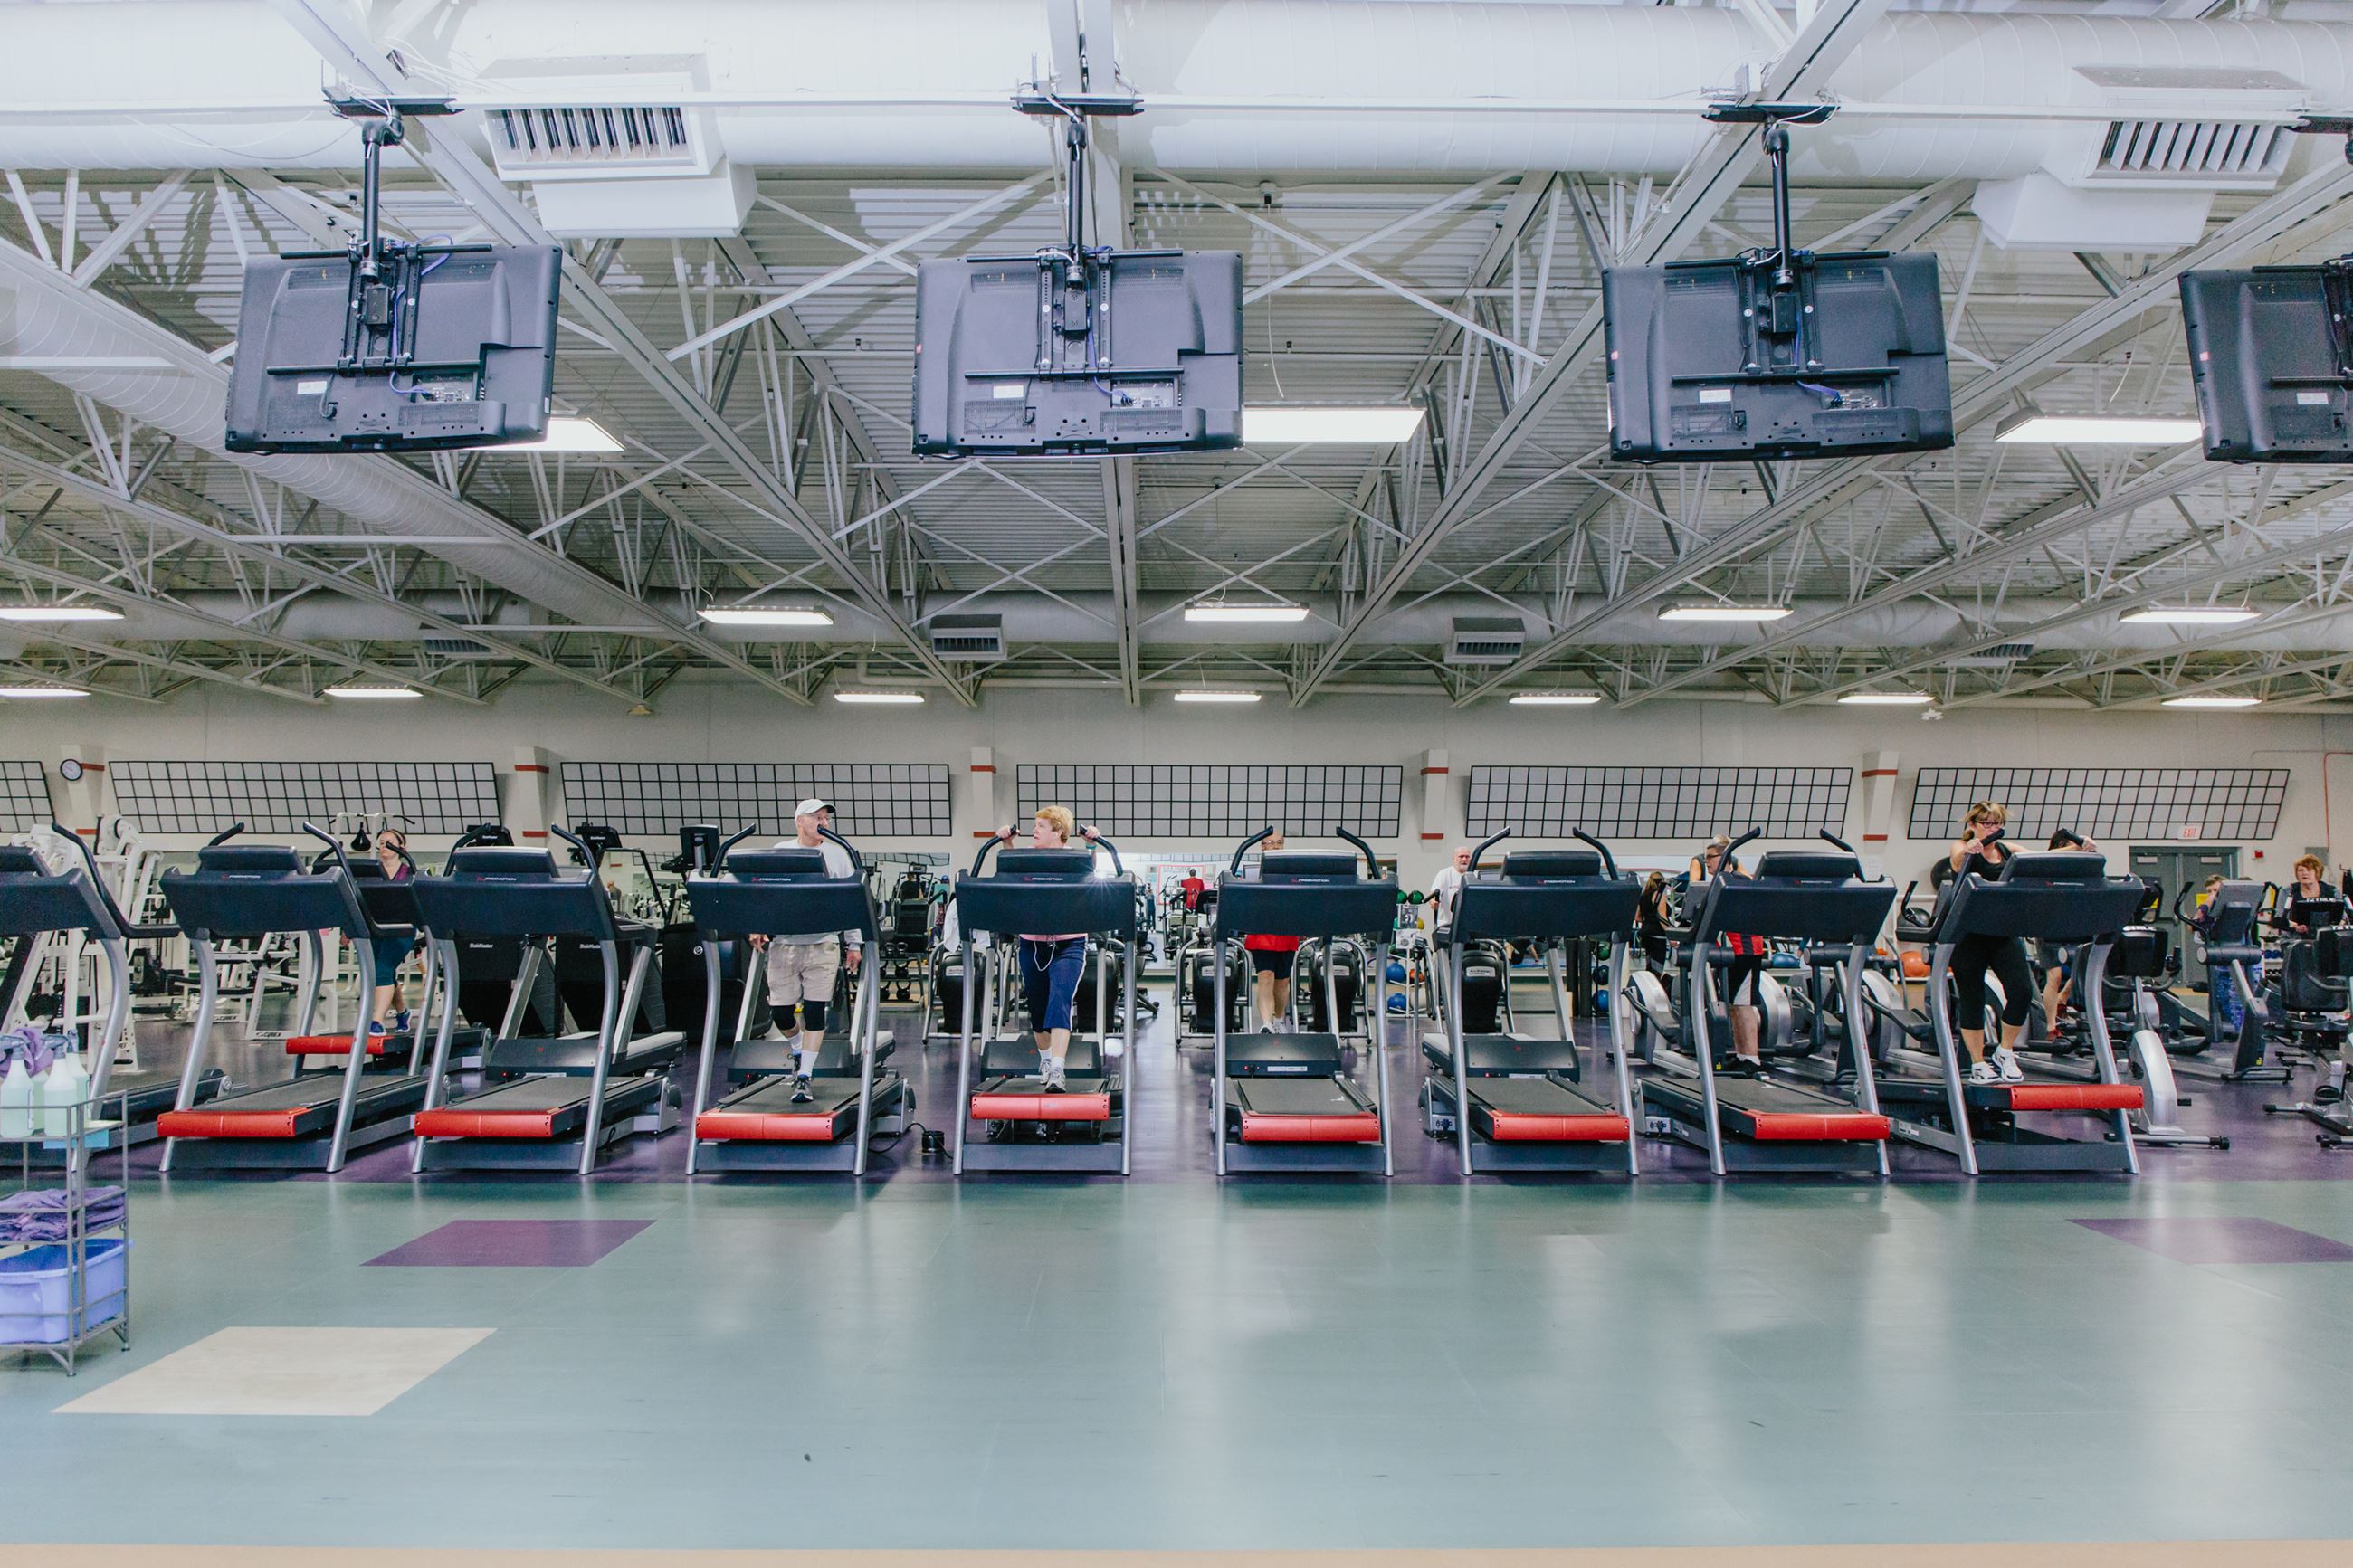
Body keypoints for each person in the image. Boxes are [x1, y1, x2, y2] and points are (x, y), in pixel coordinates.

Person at [750, 798, 862, 1103]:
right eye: (817, 817)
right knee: (781, 1014)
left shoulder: (839, 856)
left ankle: (805, 1076)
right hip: (784, 944)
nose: (824, 823)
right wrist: (759, 925)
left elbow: (850, 901)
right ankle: (799, 1050)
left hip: (823, 943)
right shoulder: (781, 851)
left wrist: (853, 943)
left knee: (814, 1011)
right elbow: (767, 896)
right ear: (799, 820)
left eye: (826, 818)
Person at [990, 806, 1100, 1091]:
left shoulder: (1074, 859)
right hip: (1032, 943)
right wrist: (1006, 843)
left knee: (1059, 1000)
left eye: (1041, 826)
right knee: (1038, 1012)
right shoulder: (1027, 857)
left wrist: (1091, 844)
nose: (1035, 830)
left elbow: (1090, 871)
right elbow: (1009, 874)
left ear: (1059, 833)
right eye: (1034, 825)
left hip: (1069, 943)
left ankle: (1058, 1070)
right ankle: (1046, 1060)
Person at [1931, 801, 2034, 1084]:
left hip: (2001, 932)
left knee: (2022, 991)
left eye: (1997, 823)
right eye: (1987, 823)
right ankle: (1978, 1064)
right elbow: (1955, 860)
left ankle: (2005, 1050)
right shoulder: (1960, 847)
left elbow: (2043, 858)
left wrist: (2078, 849)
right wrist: (1969, 849)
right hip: (1968, 935)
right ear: (1973, 825)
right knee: (1972, 999)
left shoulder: (2006, 850)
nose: (1993, 828)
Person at [1689, 835, 1767, 1074]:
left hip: (1745, 950)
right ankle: (1743, 1055)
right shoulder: (1721, 882)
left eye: (1710, 857)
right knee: (1734, 1005)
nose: (1706, 862)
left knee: (1742, 1005)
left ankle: (1752, 1059)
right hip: (1729, 952)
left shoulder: (1739, 881)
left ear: (1724, 857)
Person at [2036, 830, 2098, 1036]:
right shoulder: (2047, 865)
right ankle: (2051, 1026)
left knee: (2086, 966)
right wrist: (2078, 844)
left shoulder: (2082, 870)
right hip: (2050, 926)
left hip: (2076, 924)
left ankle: (2064, 996)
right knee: (2054, 976)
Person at [1243, 829, 1302, 1031]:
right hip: (1262, 934)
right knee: (1265, 976)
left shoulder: (1292, 873)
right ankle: (1266, 1024)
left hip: (1286, 933)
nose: (1276, 846)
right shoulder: (1254, 874)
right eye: (1271, 843)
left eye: (1279, 842)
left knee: (1282, 981)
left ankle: (1278, 1020)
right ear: (1262, 846)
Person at [367, 828, 414, 1037]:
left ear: (400, 847)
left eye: (389, 842)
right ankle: (403, 1012)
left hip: (401, 930)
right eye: (381, 842)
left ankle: (376, 1021)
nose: (384, 846)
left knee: (383, 969)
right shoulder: (372, 872)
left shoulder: (409, 872)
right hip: (376, 928)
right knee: (383, 973)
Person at [2188, 873, 2247, 1038]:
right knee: (2220, 993)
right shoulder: (2208, 909)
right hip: (2218, 957)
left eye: (2216, 890)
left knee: (2235, 995)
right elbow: (2194, 925)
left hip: (2235, 955)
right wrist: (2208, 902)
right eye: (2209, 891)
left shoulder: (2235, 907)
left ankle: (2239, 1030)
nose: (2212, 894)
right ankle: (2224, 1028)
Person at [1428, 844, 1473, 936]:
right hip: (1447, 924)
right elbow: (1433, 892)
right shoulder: (1444, 874)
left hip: (1469, 926)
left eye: (1467, 857)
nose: (1464, 859)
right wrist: (1433, 902)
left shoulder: (1474, 875)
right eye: (1461, 856)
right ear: (1454, 858)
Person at [1635, 871, 1671, 970]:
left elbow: (1637, 917)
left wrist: (1648, 922)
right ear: (1661, 883)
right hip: (1658, 935)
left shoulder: (1643, 896)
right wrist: (1671, 937)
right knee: (1657, 968)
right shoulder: (1659, 896)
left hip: (1646, 934)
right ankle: (1656, 984)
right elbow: (1662, 917)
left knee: (1649, 966)